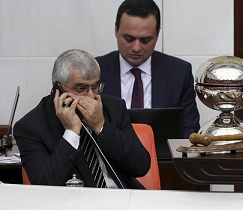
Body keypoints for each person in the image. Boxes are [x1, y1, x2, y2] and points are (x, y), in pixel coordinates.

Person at [15, 49, 150, 188]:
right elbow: (44, 186)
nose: (91, 96)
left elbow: (141, 166)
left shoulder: (113, 108)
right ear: (56, 87)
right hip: (75, 200)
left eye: (95, 86)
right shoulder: (31, 127)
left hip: (123, 196)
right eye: (80, 88)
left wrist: (100, 126)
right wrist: (71, 132)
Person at [97, 0, 200, 136]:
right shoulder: (95, 72)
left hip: (163, 150)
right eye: (129, 39)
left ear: (157, 34)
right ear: (116, 30)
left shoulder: (179, 73)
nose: (136, 48)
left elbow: (189, 130)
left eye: (145, 40)